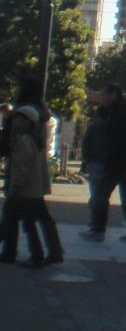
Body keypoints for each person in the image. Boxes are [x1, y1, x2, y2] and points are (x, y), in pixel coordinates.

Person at [0, 77, 62, 266]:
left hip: (23, 179)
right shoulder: (42, 113)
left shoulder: (24, 117)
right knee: (35, 217)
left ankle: (15, 251)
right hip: (37, 174)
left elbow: (11, 148)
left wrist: (16, 183)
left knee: (13, 216)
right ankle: (51, 252)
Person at [90, 84, 126, 242]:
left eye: (103, 95)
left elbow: (117, 137)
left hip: (118, 160)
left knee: (101, 195)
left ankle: (98, 229)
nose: (102, 99)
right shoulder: (125, 111)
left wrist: (111, 155)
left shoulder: (119, 112)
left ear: (113, 94)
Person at [4, 106, 54, 267]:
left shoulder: (24, 141)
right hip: (33, 191)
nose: (15, 122)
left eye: (19, 119)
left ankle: (36, 256)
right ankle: (34, 255)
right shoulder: (35, 140)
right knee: (25, 222)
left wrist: (16, 186)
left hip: (24, 191)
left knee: (15, 222)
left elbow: (22, 167)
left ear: (27, 122)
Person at [79, 105, 110, 237]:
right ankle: (98, 223)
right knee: (102, 196)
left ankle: (95, 222)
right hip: (108, 164)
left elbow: (86, 145)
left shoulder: (93, 127)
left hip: (95, 162)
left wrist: (86, 161)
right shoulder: (113, 128)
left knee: (95, 194)